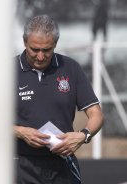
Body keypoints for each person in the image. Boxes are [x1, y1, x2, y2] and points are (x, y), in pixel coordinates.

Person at [14, 14, 104, 184]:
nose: (40, 57)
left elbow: (96, 114)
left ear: (55, 44)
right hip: (20, 164)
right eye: (35, 49)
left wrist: (83, 136)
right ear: (25, 41)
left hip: (62, 164)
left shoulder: (70, 68)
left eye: (46, 50)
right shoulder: (7, 70)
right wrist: (20, 132)